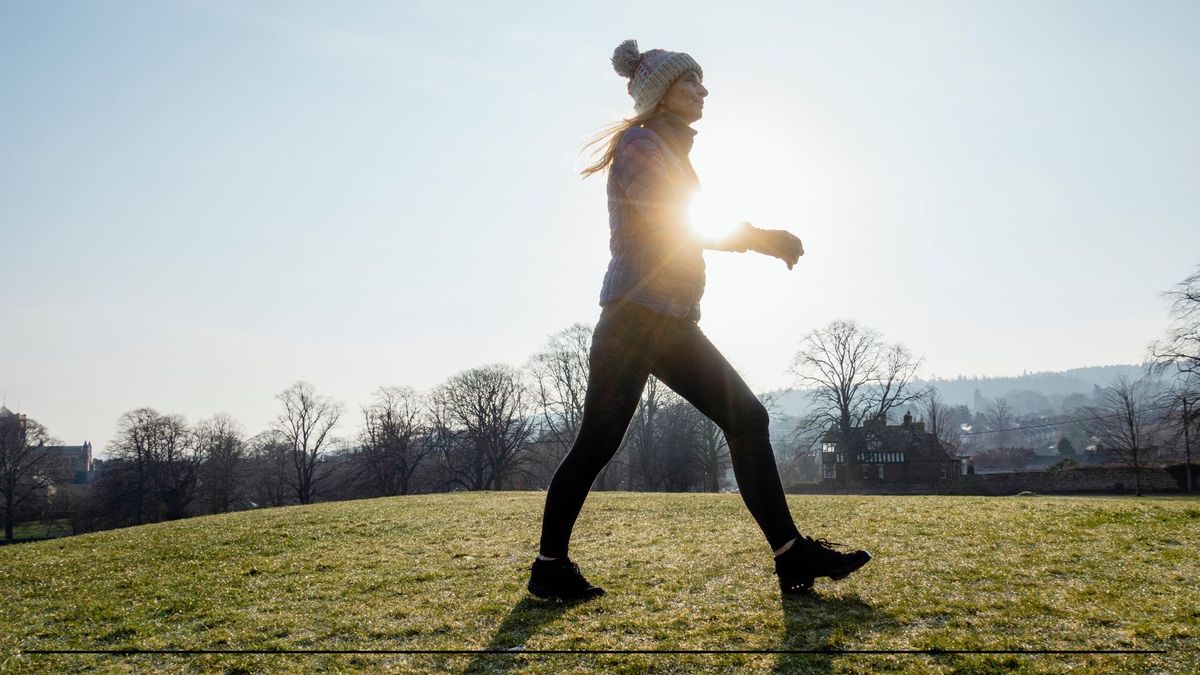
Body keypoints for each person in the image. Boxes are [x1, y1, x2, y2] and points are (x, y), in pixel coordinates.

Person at [528, 39, 870, 600]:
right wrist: (761, 239)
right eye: (691, 82)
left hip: (663, 320)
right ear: (662, 93)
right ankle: (549, 567)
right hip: (640, 318)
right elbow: (675, 222)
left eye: (702, 81)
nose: (703, 90)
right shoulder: (641, 147)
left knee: (735, 421)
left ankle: (789, 555)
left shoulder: (667, 149)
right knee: (612, 442)